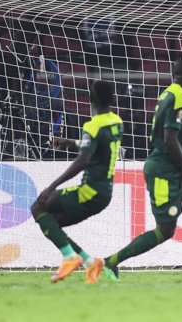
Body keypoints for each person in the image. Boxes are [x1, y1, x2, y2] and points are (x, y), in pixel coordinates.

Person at [100, 58, 182, 281]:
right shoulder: (181, 96)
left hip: (174, 168)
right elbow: (170, 140)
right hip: (164, 170)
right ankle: (111, 261)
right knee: (165, 230)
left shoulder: (166, 93)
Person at [31, 81, 122, 284]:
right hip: (105, 193)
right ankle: (90, 262)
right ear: (113, 100)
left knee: (38, 207)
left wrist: (52, 186)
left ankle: (71, 257)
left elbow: (84, 160)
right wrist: (73, 143)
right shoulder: (116, 121)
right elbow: (101, 146)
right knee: (51, 222)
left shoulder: (92, 125)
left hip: (89, 191)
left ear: (91, 99)